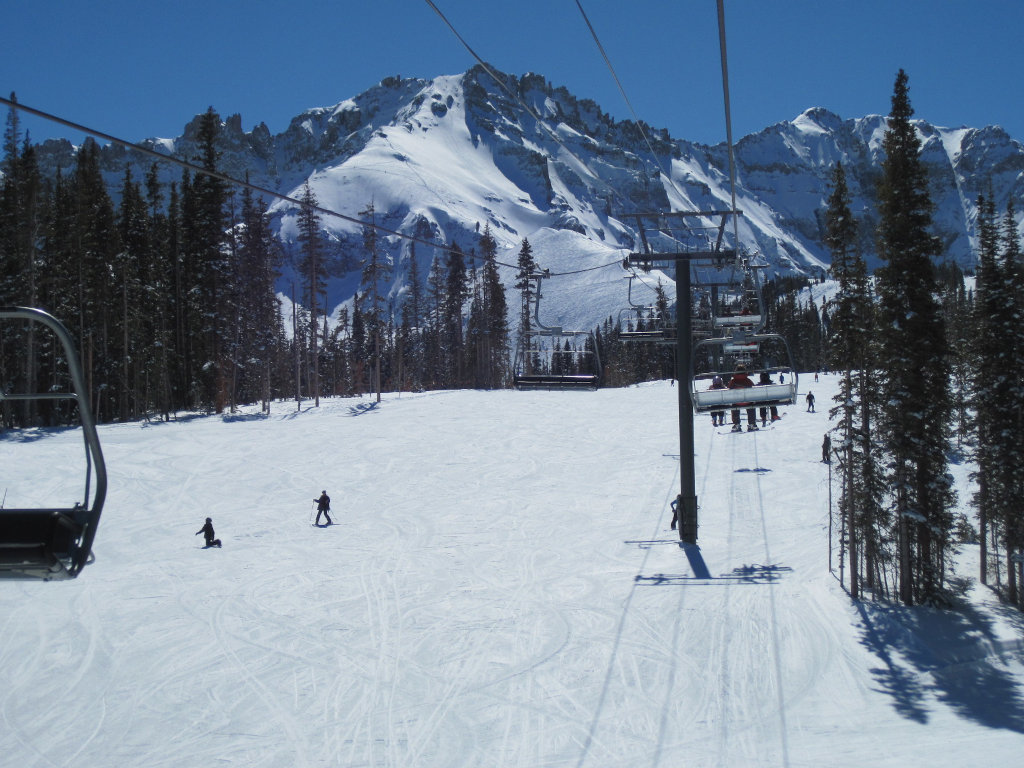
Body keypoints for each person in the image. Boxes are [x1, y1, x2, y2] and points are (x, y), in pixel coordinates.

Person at [727, 364, 758, 432]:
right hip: (747, 402)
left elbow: (728, 390)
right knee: (751, 405)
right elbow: (753, 389)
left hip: (737, 402)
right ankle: (752, 423)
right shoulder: (747, 380)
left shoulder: (733, 381)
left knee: (734, 405)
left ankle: (736, 424)